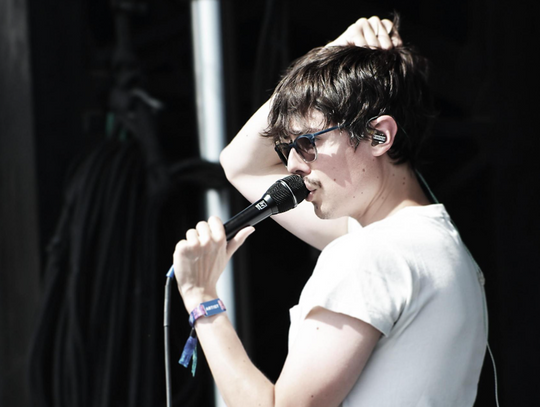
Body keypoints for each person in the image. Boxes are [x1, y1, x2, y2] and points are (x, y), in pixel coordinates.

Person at [172, 16, 487, 407]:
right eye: (286, 148)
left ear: (378, 136)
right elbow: (238, 163)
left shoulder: (369, 254)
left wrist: (200, 296)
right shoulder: (435, 244)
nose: (291, 165)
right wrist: (334, 53)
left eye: (306, 143)